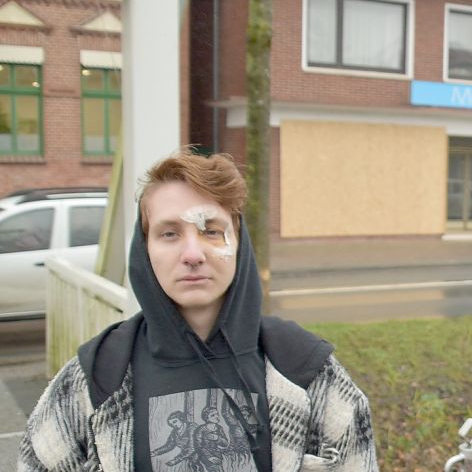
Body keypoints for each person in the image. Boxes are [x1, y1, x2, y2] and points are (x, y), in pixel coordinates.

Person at [20, 149, 378, 472]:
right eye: (170, 234)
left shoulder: (307, 370)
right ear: (145, 249)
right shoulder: (97, 376)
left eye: (211, 231)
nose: (193, 254)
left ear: (239, 243)